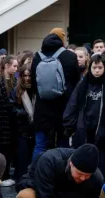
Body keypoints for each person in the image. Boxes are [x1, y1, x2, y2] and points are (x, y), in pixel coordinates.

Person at [29, 28, 81, 161]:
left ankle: (35, 171)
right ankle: (60, 171)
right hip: (63, 108)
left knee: (40, 145)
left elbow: (34, 84)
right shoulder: (70, 56)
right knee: (63, 146)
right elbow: (76, 83)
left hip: (42, 108)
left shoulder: (37, 57)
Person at [63, 54, 105, 176]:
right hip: (83, 129)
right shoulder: (83, 84)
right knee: (81, 162)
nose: (97, 70)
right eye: (94, 68)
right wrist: (72, 126)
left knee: (100, 164)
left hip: (102, 132)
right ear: (90, 68)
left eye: (100, 67)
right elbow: (72, 105)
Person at [13, 56, 37, 182]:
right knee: (22, 158)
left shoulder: (36, 90)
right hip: (21, 129)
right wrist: (22, 113)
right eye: (25, 76)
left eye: (29, 76)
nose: (27, 78)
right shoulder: (17, 90)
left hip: (34, 128)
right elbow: (12, 108)